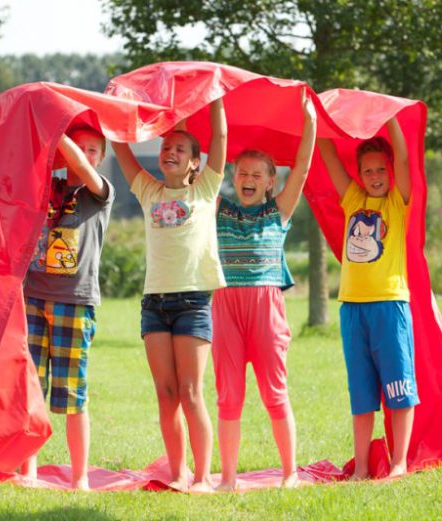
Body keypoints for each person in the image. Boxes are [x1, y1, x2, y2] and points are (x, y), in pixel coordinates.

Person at [111, 98, 227, 493]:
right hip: (154, 305)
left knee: (192, 391)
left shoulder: (207, 189)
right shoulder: (148, 191)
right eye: (165, 147)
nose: (170, 152)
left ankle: (202, 476)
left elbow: (222, 136)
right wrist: (113, 112)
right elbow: (121, 148)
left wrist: (215, 98)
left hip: (193, 303)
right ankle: (178, 473)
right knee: (166, 394)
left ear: (196, 162)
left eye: (180, 148)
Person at [212, 90, 316, 491]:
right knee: (228, 396)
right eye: (242, 173)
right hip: (224, 305)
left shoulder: (279, 211)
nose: (249, 180)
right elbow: (208, 161)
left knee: (275, 391)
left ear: (271, 181)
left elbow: (303, 169)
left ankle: (290, 473)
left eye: (258, 175)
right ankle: (227, 479)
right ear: (232, 176)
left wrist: (309, 124)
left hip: (266, 304)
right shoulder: (219, 208)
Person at [317, 117, 419, 480]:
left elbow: (406, 163)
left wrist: (391, 122)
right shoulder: (353, 199)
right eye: (367, 170)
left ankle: (399, 463)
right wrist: (320, 115)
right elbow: (328, 155)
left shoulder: (396, 203)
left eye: (381, 169)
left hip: (390, 306)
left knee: (398, 387)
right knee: (361, 395)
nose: (374, 175)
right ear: (359, 174)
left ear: (390, 171)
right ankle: (360, 468)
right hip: (352, 309)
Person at [20, 125, 114, 490]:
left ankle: (79, 479)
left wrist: (54, 128)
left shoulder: (100, 191)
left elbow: (81, 165)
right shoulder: (48, 185)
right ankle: (28, 471)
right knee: (32, 389)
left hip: (75, 302)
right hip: (34, 297)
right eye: (80, 147)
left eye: (93, 149)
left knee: (72, 393)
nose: (85, 155)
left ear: (101, 158)